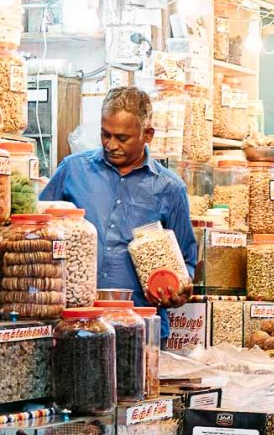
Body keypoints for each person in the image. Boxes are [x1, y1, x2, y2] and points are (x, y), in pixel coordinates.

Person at [40, 87, 196, 340]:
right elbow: (39, 229)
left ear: (148, 135)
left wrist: (178, 289)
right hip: (75, 325)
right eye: (105, 135)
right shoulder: (73, 170)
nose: (111, 145)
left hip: (141, 329)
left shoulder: (169, 188)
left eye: (122, 138)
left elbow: (187, 262)